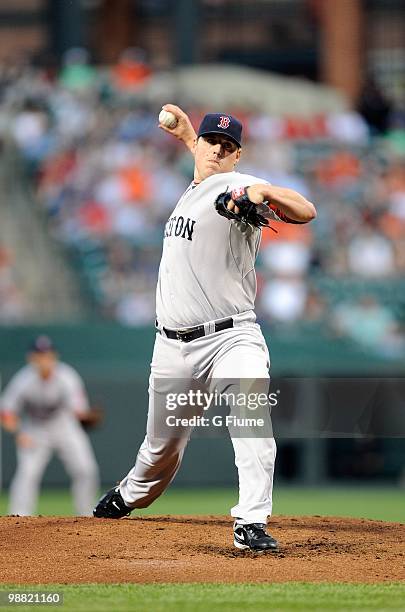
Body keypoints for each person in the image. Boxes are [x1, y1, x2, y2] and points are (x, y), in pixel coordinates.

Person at [94, 105, 316, 551]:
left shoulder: (238, 185)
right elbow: (202, 160)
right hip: (173, 347)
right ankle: (129, 494)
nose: (220, 148)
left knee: (252, 420)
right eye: (214, 141)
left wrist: (259, 192)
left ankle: (250, 521)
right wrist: (187, 134)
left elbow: (305, 210)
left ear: (239, 156)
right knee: (160, 452)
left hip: (232, 337)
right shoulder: (195, 182)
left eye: (230, 146)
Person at [0, 335, 99, 516]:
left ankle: (87, 515)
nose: (44, 359)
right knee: (27, 474)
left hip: (64, 427)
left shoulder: (67, 377)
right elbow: (6, 412)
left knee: (85, 469)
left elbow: (78, 410)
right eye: (39, 355)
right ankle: (18, 518)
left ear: (55, 356)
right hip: (35, 430)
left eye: (47, 354)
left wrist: (86, 416)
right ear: (31, 358)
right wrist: (18, 433)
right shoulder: (23, 380)